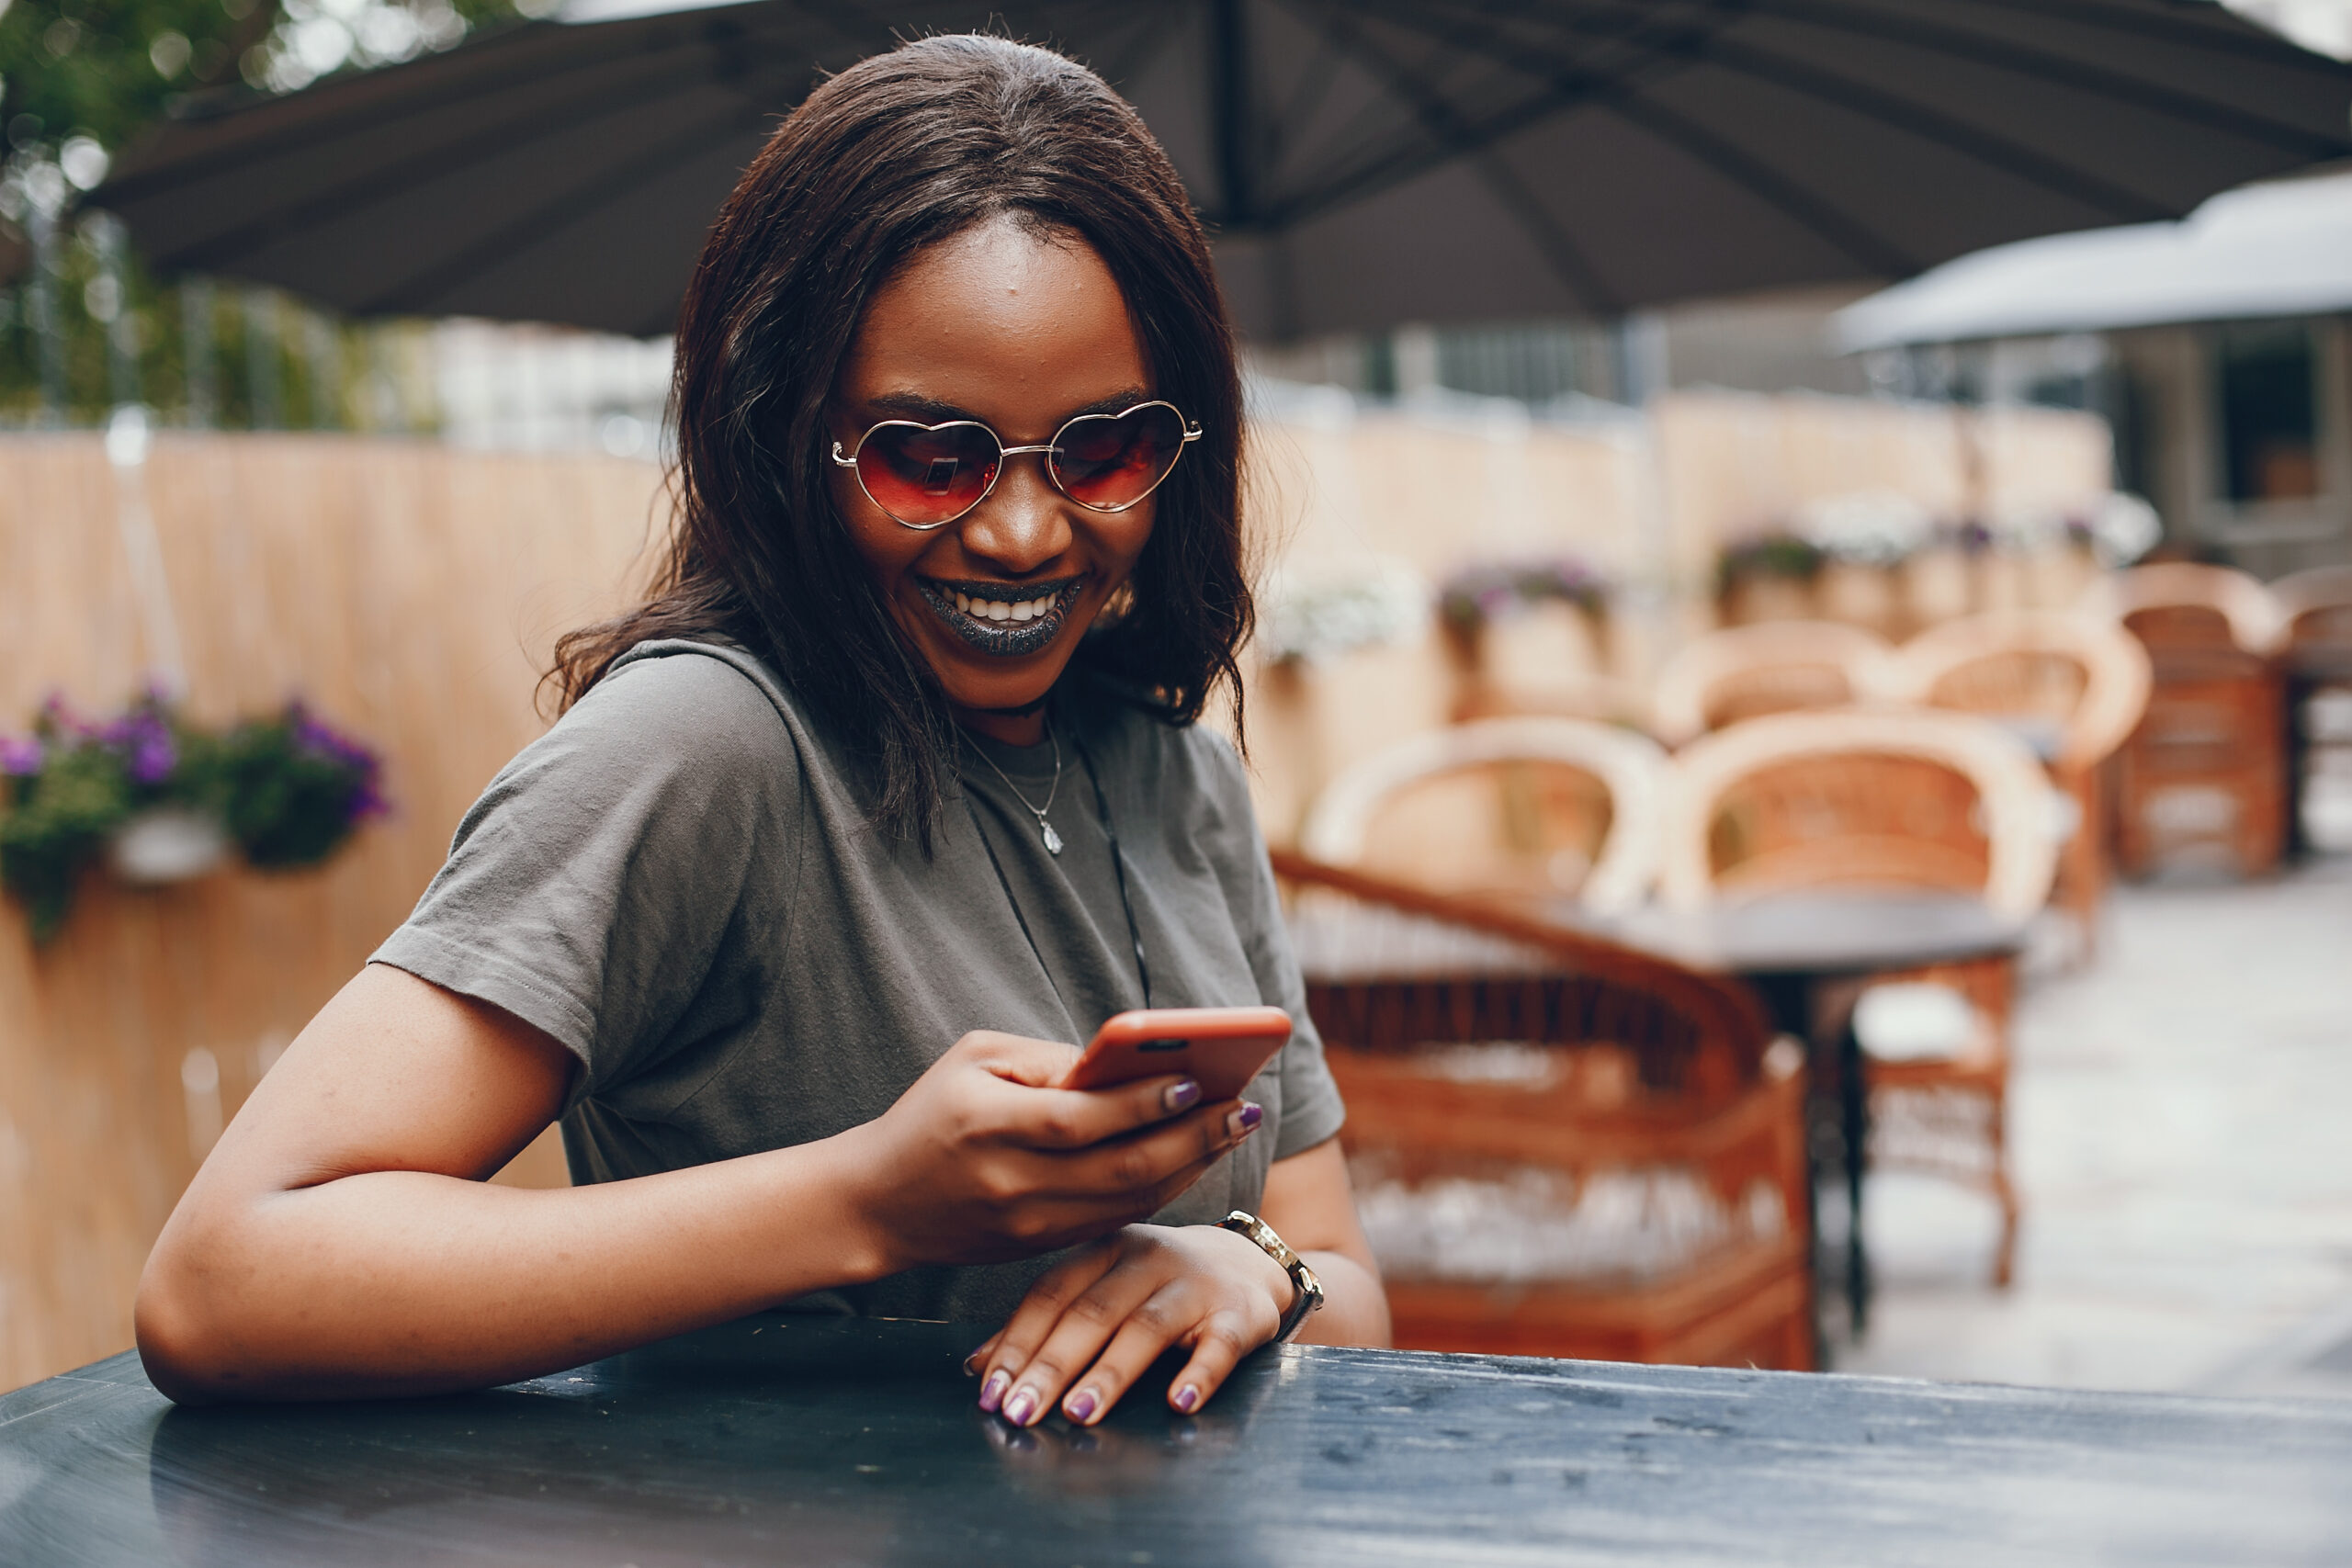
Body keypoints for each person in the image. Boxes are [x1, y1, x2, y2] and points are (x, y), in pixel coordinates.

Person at [135, 33, 1389, 1427]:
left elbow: (1349, 1271)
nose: (1029, 533)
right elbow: (224, 1280)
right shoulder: (704, 746)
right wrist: (866, 1200)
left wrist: (1252, 1265)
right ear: (786, 435)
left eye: (1103, 450)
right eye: (931, 456)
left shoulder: (1179, 779)